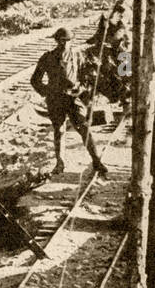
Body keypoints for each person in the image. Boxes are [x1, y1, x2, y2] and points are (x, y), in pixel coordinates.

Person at [31, 27, 109, 177]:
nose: (64, 44)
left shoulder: (78, 55)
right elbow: (35, 80)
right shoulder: (47, 58)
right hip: (55, 100)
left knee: (84, 128)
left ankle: (96, 161)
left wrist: (82, 88)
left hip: (74, 98)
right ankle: (60, 163)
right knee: (59, 131)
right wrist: (47, 91)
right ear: (56, 41)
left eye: (67, 41)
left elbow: (87, 75)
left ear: (71, 41)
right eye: (61, 41)